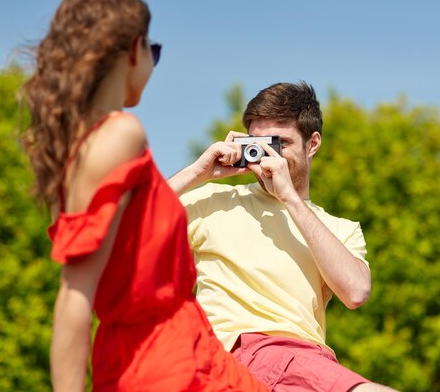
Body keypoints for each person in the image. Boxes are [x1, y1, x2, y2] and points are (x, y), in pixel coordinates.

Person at [21, 0, 268, 391]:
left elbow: (130, 234)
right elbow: (75, 293)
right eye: (154, 52)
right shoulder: (122, 133)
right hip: (169, 360)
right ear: (134, 50)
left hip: (160, 353)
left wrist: (198, 173)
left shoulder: (77, 150)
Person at [168, 82, 399, 392]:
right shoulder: (211, 201)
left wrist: (290, 198)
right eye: (260, 143)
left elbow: (355, 292)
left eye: (280, 144)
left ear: (312, 143)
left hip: (306, 361)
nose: (267, 155)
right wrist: (197, 172)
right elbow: (118, 225)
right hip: (234, 353)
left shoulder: (339, 228)